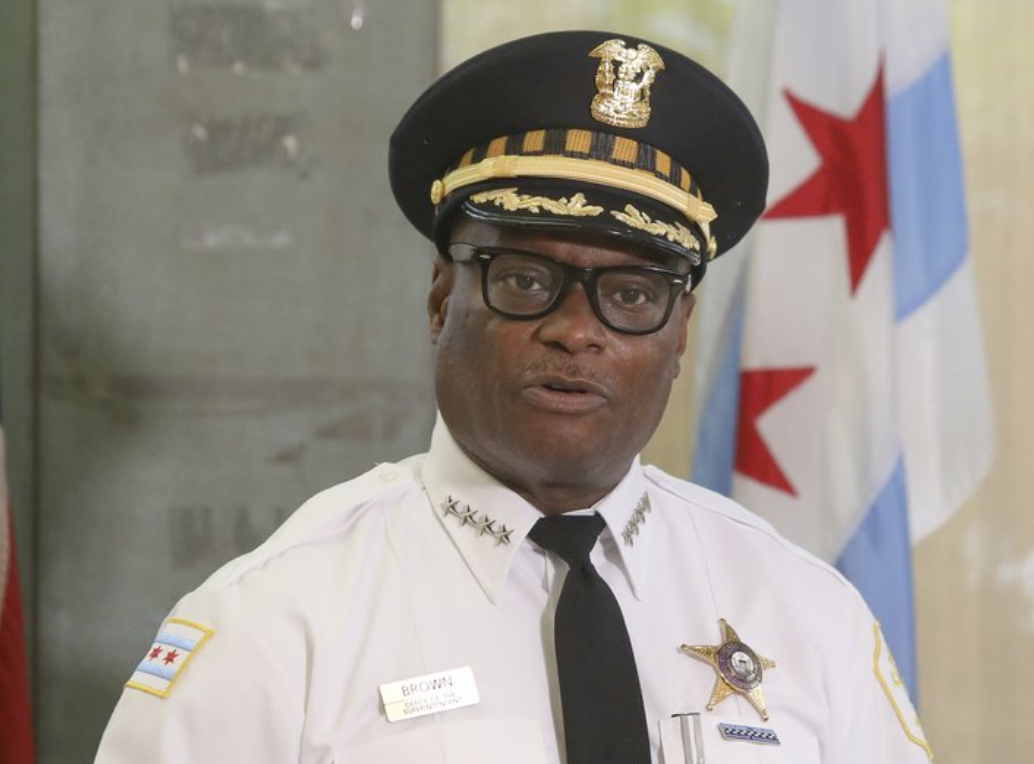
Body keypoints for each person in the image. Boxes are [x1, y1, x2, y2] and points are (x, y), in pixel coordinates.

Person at [94, 30, 932, 763]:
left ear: (679, 331)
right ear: (440, 299)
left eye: (631, 295)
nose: (576, 331)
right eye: (526, 280)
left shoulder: (805, 612)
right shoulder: (277, 621)